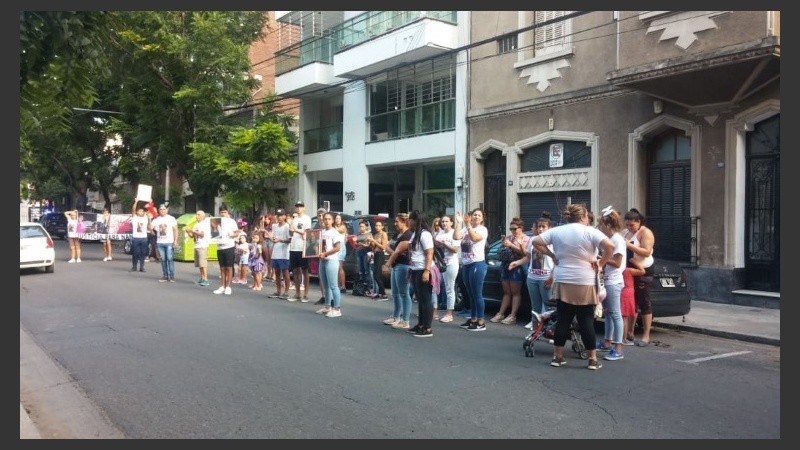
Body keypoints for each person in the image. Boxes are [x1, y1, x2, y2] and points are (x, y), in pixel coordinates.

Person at [533, 203, 615, 370]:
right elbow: (610, 247)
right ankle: (592, 359)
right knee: (586, 320)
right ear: (584, 216)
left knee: (563, 319)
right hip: (585, 280)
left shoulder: (557, 231)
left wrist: (553, 255)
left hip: (564, 279)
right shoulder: (590, 231)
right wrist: (600, 262)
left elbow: (536, 241)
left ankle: (558, 356)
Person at [393, 210, 435, 337]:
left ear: (415, 221)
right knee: (420, 300)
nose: (408, 222)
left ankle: (427, 327)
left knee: (426, 299)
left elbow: (429, 253)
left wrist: (427, 271)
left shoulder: (425, 234)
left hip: (424, 269)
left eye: (410, 219)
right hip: (415, 269)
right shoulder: (415, 234)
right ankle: (420, 324)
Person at [510, 212, 554, 330]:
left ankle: (552, 331)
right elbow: (528, 257)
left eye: (543, 227)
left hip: (546, 278)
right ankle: (535, 331)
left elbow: (557, 261)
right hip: (532, 277)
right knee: (535, 307)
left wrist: (552, 277)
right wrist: (517, 263)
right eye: (539, 226)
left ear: (549, 228)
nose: (540, 229)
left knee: (550, 307)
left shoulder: (553, 241)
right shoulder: (533, 240)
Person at [596, 207, 627, 361]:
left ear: (607, 226)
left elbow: (617, 262)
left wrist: (602, 258)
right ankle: (607, 342)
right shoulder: (612, 239)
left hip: (614, 281)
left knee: (615, 313)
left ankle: (618, 347)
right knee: (608, 313)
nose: (600, 228)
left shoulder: (617, 240)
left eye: (601, 225)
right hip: (608, 280)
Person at [623, 208, 656, 347]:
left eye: (632, 225)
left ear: (639, 222)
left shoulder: (646, 233)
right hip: (631, 269)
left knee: (644, 302)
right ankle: (630, 332)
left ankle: (646, 336)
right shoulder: (626, 232)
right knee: (632, 301)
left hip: (644, 270)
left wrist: (629, 245)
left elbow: (646, 252)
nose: (629, 227)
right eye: (627, 225)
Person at [491, 217, 530, 325]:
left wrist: (512, 245)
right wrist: (504, 243)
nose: (512, 231)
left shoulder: (525, 238)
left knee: (515, 292)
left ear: (521, 228)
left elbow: (525, 254)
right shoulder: (509, 237)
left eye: (514, 229)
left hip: (517, 266)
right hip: (506, 265)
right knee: (507, 291)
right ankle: (501, 313)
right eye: (511, 228)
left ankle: (512, 315)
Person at [455, 208, 489, 331]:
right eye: (474, 214)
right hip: (466, 264)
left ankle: (481, 321)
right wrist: (459, 223)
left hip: (477, 263)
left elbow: (474, 238)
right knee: (470, 294)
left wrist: (468, 225)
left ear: (482, 218)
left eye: (478, 215)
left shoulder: (482, 229)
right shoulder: (465, 228)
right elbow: (456, 236)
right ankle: (473, 318)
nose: (475, 217)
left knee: (477, 293)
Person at [383, 213, 413, 329]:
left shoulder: (407, 235)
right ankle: (396, 316)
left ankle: (405, 320)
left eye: (397, 221)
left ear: (404, 222)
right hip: (396, 264)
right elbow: (387, 246)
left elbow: (399, 251)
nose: (395, 224)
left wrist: (395, 252)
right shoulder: (397, 234)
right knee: (395, 293)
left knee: (404, 293)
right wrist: (395, 252)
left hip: (403, 265)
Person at [434, 214, 461, 323]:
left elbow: (455, 250)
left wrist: (444, 244)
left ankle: (449, 314)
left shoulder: (454, 233)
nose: (444, 223)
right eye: (443, 222)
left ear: (451, 223)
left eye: (446, 221)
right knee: (434, 287)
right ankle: (434, 311)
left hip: (451, 263)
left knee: (449, 288)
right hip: (439, 263)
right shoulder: (439, 233)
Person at [316, 212, 344, 317]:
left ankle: (337, 308)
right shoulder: (321, 232)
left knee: (333, 286)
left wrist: (326, 254)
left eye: (329, 219)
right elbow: (316, 244)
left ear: (332, 221)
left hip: (331, 260)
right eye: (325, 219)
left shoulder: (334, 232)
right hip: (322, 260)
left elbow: (337, 248)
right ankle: (327, 306)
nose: (327, 221)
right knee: (325, 285)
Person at [211, 205, 242, 296]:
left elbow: (236, 233)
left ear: (227, 213)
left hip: (229, 246)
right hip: (220, 247)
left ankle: (228, 286)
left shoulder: (231, 222)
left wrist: (233, 234)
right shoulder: (216, 221)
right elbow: (214, 234)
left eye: (225, 212)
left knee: (229, 267)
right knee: (222, 268)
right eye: (221, 212)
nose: (223, 214)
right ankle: (222, 286)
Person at [288, 201, 312, 302]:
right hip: (293, 247)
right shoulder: (294, 219)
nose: (298, 208)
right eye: (297, 206)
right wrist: (290, 226)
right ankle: (297, 293)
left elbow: (307, 233)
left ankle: (306, 294)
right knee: (295, 271)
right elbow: (290, 233)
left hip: (302, 247)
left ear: (304, 208)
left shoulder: (306, 218)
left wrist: (295, 230)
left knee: (305, 271)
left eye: (300, 206)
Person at [149, 203, 179, 282]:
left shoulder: (171, 219)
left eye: (164, 209)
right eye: (161, 209)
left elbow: (176, 230)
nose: (162, 211)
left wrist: (175, 241)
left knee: (170, 259)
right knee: (163, 260)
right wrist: (149, 219)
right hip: (160, 243)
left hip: (169, 242)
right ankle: (165, 276)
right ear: (159, 210)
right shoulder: (156, 220)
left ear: (167, 210)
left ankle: (171, 276)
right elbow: (149, 228)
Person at [269, 208, 291, 300]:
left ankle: (286, 291)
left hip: (284, 252)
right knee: (277, 273)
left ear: (285, 216)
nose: (279, 217)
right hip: (275, 251)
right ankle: (278, 291)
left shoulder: (287, 226)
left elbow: (289, 240)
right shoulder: (274, 226)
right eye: (278, 216)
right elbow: (273, 237)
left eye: (281, 215)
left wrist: (280, 240)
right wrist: (272, 239)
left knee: (285, 272)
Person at [184, 210, 211, 286]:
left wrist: (191, 230)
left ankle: (206, 279)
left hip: (203, 245)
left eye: (198, 214)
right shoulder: (196, 225)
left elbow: (202, 234)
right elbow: (193, 236)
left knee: (203, 263)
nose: (197, 216)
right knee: (199, 263)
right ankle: (202, 278)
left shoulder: (204, 224)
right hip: (197, 245)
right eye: (196, 214)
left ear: (203, 216)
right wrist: (188, 232)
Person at [367, 220, 389, 300]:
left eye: (379, 225)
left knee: (376, 275)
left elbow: (383, 247)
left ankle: (383, 293)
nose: (377, 227)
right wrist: (370, 242)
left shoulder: (384, 234)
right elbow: (373, 246)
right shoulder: (375, 234)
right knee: (377, 275)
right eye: (376, 225)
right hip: (375, 254)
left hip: (380, 254)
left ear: (382, 227)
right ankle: (380, 293)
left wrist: (374, 241)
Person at [355, 219, 376, 295]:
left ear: (366, 227)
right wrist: (355, 243)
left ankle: (369, 288)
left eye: (362, 226)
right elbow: (355, 243)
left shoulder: (369, 235)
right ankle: (362, 287)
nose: (361, 228)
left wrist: (361, 244)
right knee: (361, 271)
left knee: (367, 270)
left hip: (366, 253)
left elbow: (370, 245)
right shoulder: (358, 234)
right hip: (359, 252)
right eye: (360, 226)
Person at [130, 199, 150, 272]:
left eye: (142, 211)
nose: (140, 212)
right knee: (135, 253)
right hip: (136, 238)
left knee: (143, 253)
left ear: (143, 212)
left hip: (144, 238)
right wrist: (136, 202)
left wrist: (150, 202)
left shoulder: (145, 218)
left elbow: (149, 209)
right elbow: (133, 209)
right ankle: (134, 266)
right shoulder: (135, 218)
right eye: (139, 211)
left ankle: (142, 267)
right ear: (137, 212)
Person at [313, 207, 328, 305]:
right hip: (320, 253)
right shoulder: (316, 226)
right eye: (319, 215)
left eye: (323, 215)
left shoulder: (330, 226)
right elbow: (313, 237)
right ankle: (323, 296)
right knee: (321, 276)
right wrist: (314, 247)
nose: (321, 217)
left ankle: (330, 298)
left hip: (329, 254)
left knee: (329, 277)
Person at [333, 213, 349, 294]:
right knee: (335, 267)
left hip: (341, 247)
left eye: (339, 218)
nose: (337, 220)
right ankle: (338, 285)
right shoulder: (334, 227)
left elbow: (336, 230)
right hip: (335, 247)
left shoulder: (342, 227)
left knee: (340, 267)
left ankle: (343, 286)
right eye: (336, 218)